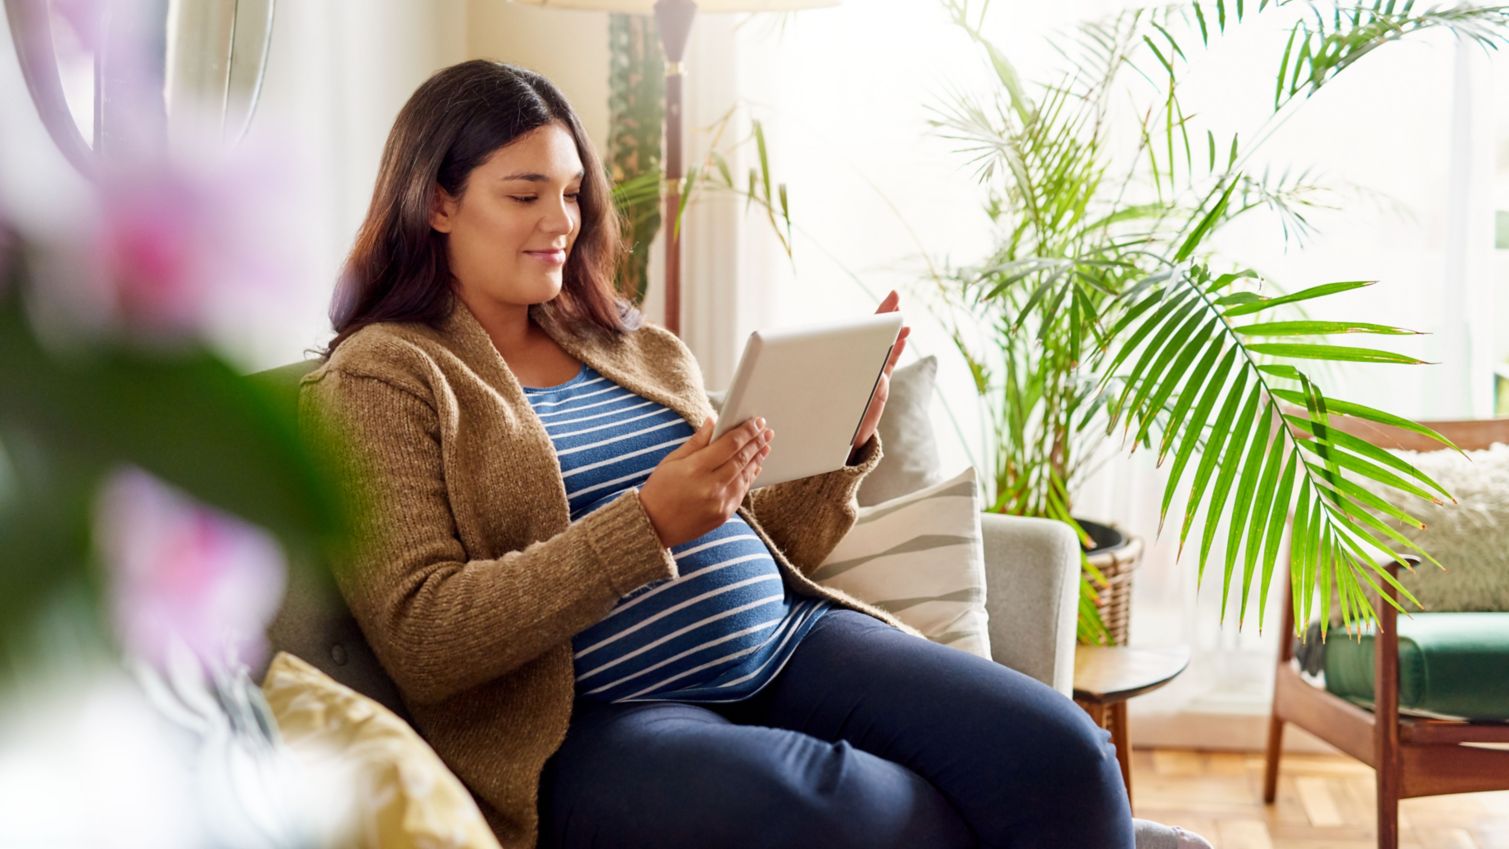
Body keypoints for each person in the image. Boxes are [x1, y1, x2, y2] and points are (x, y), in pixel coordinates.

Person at [303, 59, 1211, 849]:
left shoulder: (631, 344)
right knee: (864, 817)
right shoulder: (387, 376)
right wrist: (646, 522)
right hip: (596, 722)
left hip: (787, 640)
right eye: (524, 192)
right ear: (436, 202)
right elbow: (424, 633)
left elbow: (770, 537)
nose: (562, 220)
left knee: (1063, 751)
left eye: (573, 190)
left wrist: (838, 445)